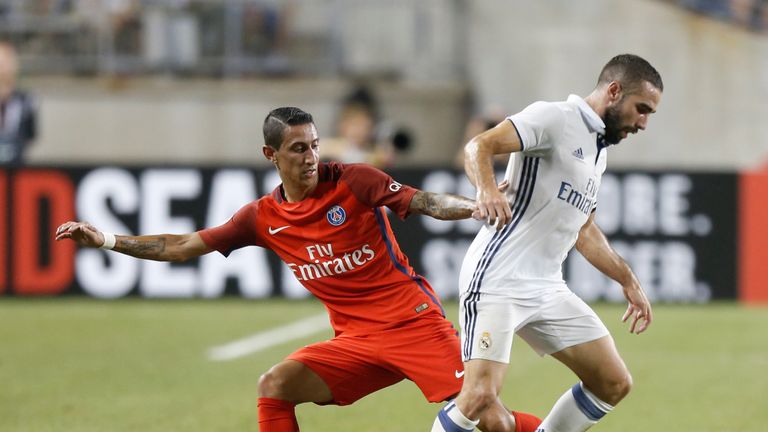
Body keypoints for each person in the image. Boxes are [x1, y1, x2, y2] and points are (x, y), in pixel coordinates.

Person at [55, 107, 540, 432]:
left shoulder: (354, 180)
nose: (310, 157)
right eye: (297, 149)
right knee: (276, 385)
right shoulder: (262, 217)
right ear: (271, 156)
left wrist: (477, 205)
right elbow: (182, 245)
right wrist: (108, 240)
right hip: (354, 342)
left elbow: (425, 202)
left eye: (312, 145)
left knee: (489, 417)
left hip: (412, 323)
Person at [431, 54, 662, 432]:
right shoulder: (555, 118)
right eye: (642, 109)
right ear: (614, 91)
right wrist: (487, 188)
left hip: (546, 287)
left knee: (613, 382)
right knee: (479, 397)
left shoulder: (597, 150)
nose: (644, 122)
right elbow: (479, 145)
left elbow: (584, 231)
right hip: (498, 279)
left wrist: (627, 279)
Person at [0, 41, 37, 166]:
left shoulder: (26, 100)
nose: (4, 67)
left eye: (8, 61)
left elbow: (30, 136)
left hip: (16, 167)